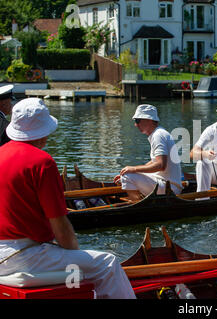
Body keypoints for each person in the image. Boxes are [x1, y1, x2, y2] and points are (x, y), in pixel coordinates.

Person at [0, 98, 135, 299]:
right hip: (24, 257)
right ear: (44, 132)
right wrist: (73, 254)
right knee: (107, 263)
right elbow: (60, 226)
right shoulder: (42, 163)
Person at [114, 104, 182, 200]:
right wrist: (129, 172)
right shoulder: (159, 133)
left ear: (149, 120)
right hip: (169, 185)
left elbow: (160, 165)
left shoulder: (158, 136)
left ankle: (137, 205)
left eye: (137, 121)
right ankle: (138, 200)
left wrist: (132, 170)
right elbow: (155, 162)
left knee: (128, 176)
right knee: (127, 174)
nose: (135, 124)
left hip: (170, 188)